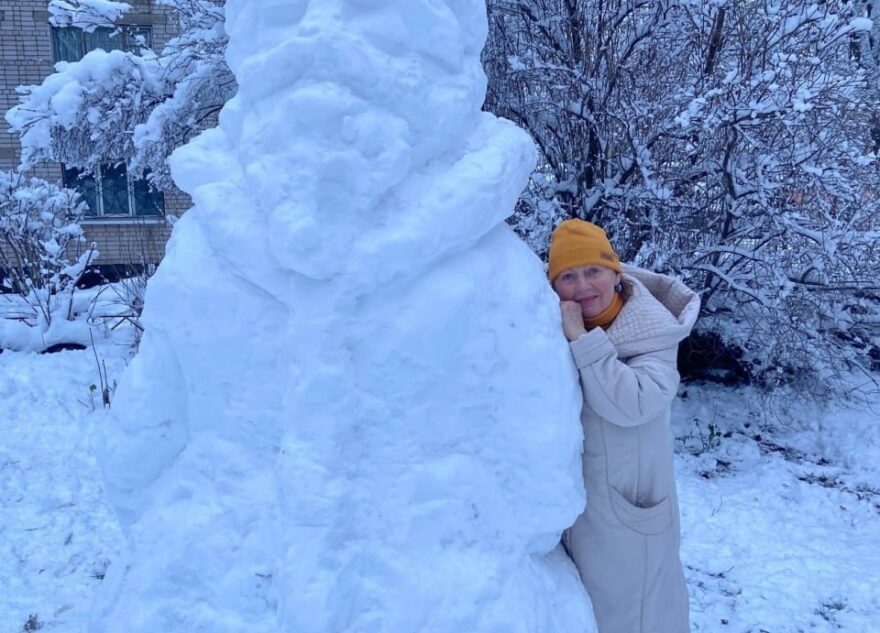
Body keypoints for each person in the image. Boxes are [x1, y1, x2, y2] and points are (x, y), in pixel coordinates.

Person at [548, 219, 699, 633]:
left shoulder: (651, 333)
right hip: (585, 514)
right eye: (568, 276)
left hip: (631, 516)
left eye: (593, 270)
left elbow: (631, 403)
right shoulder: (557, 328)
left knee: (638, 618)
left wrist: (582, 339)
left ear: (617, 274)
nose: (583, 287)